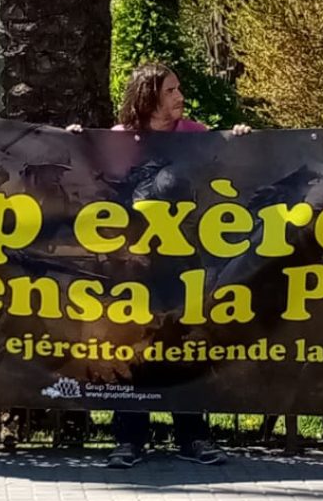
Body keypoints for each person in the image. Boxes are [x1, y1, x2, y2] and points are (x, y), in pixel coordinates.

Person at [70, 61, 249, 468]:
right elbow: (88, 172)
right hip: (132, 263)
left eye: (179, 89)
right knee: (132, 343)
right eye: (171, 91)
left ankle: (194, 437)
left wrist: (238, 139)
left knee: (183, 342)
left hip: (182, 260)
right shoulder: (120, 140)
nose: (180, 97)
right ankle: (129, 439)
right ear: (148, 96)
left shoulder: (194, 135)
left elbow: (227, 160)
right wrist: (76, 142)